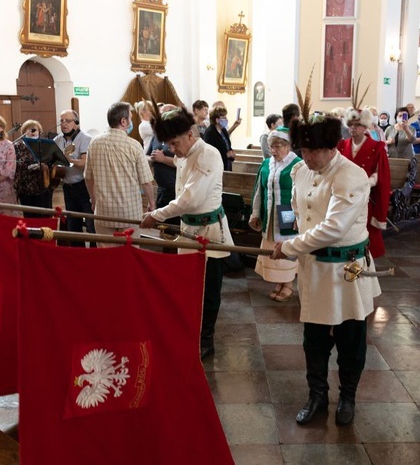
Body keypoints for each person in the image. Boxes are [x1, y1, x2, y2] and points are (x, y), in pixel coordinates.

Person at [270, 114, 381, 427]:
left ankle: (348, 397)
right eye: (303, 150)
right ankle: (317, 396)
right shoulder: (301, 170)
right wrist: (285, 236)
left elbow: (334, 228)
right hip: (314, 269)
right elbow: (291, 209)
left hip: (346, 271)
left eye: (314, 151)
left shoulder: (351, 176)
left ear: (331, 147)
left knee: (350, 339)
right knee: (314, 339)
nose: (307, 157)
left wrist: (290, 248)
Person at [140, 106, 234, 360]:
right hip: (188, 229)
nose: (172, 149)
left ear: (190, 134)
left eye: (174, 142)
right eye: (168, 144)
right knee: (190, 286)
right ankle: (191, 332)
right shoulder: (184, 155)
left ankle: (206, 340)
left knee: (210, 291)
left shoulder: (207, 155)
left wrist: (156, 215)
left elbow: (190, 199)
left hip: (210, 232)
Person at [85, 102, 155, 247]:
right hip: (129, 213)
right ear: (123, 121)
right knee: (129, 255)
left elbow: (88, 177)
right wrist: (152, 204)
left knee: (106, 257)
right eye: (130, 117)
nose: (132, 121)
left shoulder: (94, 143)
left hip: (103, 211)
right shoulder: (134, 145)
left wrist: (93, 200)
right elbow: (146, 181)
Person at [249, 129, 302, 301]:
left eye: (277, 146)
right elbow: (259, 190)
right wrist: (256, 212)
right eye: (271, 147)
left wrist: (298, 215)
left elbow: (304, 192)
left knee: (286, 246)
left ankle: (288, 284)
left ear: (287, 146)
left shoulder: (298, 164)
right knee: (273, 248)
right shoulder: (266, 164)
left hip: (288, 213)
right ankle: (280, 282)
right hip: (270, 214)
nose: (273, 150)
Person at [340, 108, 391, 258]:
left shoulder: (377, 147)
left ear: (365, 126)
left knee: (365, 236)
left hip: (365, 198)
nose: (352, 128)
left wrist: (365, 183)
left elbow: (381, 175)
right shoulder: (342, 145)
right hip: (344, 197)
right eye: (350, 124)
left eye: (357, 125)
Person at [54, 109, 94, 246]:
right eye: (62, 121)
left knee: (90, 224)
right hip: (68, 186)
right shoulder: (57, 140)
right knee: (73, 225)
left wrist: (67, 160)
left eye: (68, 121)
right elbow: (53, 159)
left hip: (84, 186)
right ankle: (78, 254)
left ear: (76, 123)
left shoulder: (85, 138)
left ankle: (96, 254)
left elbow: (84, 163)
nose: (64, 124)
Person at [13, 120, 52, 216]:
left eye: (35, 130)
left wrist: (45, 166)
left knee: (44, 216)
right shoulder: (17, 146)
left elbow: (52, 163)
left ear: (39, 132)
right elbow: (14, 165)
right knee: (29, 216)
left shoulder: (45, 145)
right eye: (29, 130)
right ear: (24, 132)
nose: (33, 132)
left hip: (42, 187)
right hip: (25, 187)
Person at [203, 106, 235, 171]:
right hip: (216, 167)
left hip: (226, 165)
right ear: (217, 120)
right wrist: (225, 155)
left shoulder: (223, 131)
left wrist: (231, 153)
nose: (226, 119)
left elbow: (227, 145)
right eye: (223, 117)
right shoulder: (210, 133)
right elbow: (209, 153)